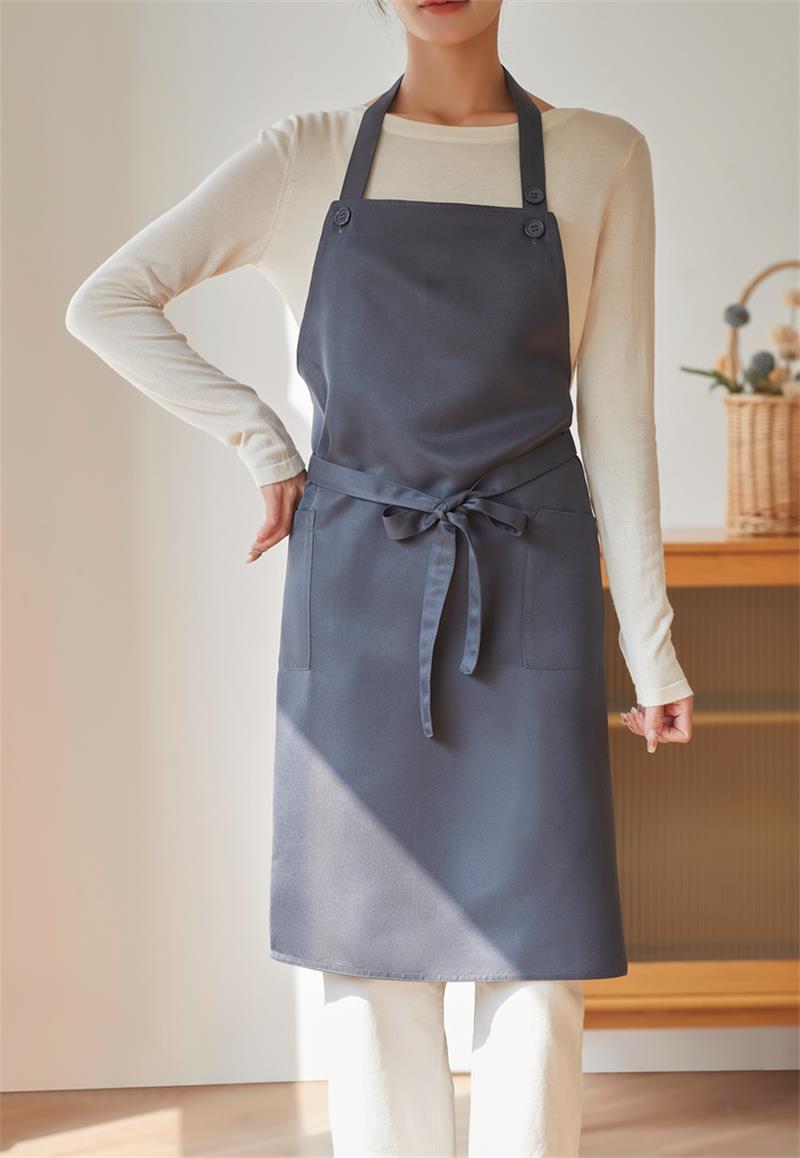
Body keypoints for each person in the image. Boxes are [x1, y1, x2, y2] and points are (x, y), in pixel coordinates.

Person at [65, 1, 694, 1153]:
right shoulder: (303, 157)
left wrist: (650, 646)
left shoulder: (601, 156)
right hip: (355, 575)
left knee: (537, 955)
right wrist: (261, 441)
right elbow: (106, 299)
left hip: (529, 569)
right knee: (364, 955)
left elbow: (615, 415)